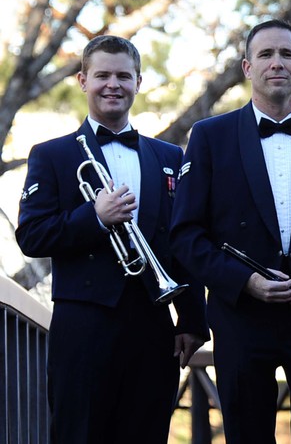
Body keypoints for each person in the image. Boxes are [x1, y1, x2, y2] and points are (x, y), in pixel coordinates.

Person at [169, 19, 291, 444]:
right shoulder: (208, 136)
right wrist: (246, 283)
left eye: (287, 54)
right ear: (247, 67)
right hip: (241, 319)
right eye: (266, 55)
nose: (277, 63)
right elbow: (185, 234)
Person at [15, 35, 209, 443]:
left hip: (154, 326)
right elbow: (31, 235)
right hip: (83, 326)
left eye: (123, 76)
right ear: (83, 80)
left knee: (147, 433)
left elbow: (184, 243)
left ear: (139, 82)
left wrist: (193, 320)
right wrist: (95, 218)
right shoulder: (52, 155)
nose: (113, 85)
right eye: (102, 75)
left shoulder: (171, 156)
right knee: (79, 434)